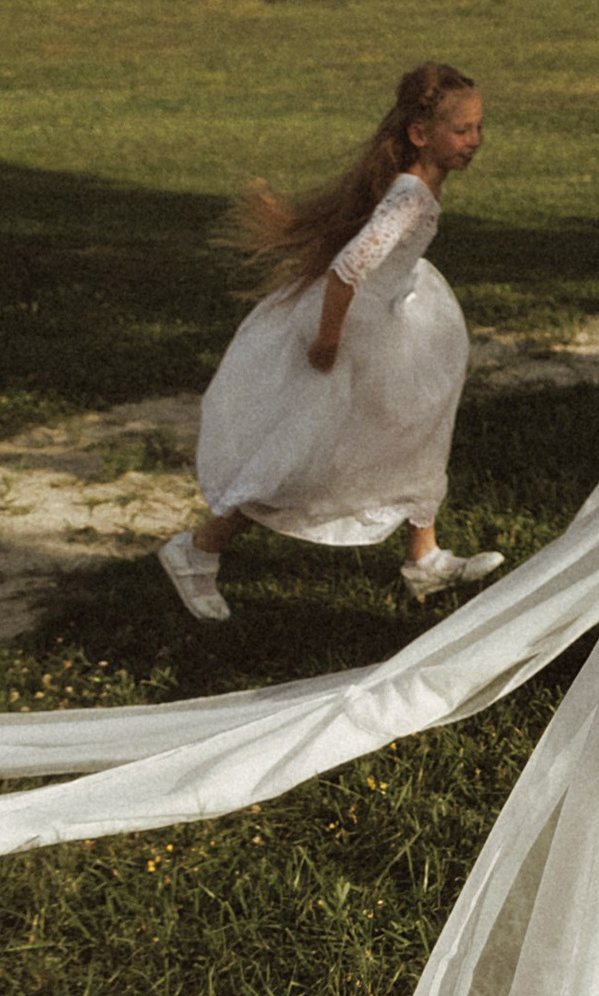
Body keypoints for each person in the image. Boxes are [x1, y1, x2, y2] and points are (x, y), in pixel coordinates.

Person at [156, 60, 505, 625]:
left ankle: (425, 556)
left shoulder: (417, 184)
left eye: (479, 127)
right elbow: (347, 270)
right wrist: (327, 342)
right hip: (352, 327)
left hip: (393, 313)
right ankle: (198, 549)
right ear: (421, 135)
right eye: (462, 130)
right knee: (308, 460)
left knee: (416, 426)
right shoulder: (410, 196)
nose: (475, 141)